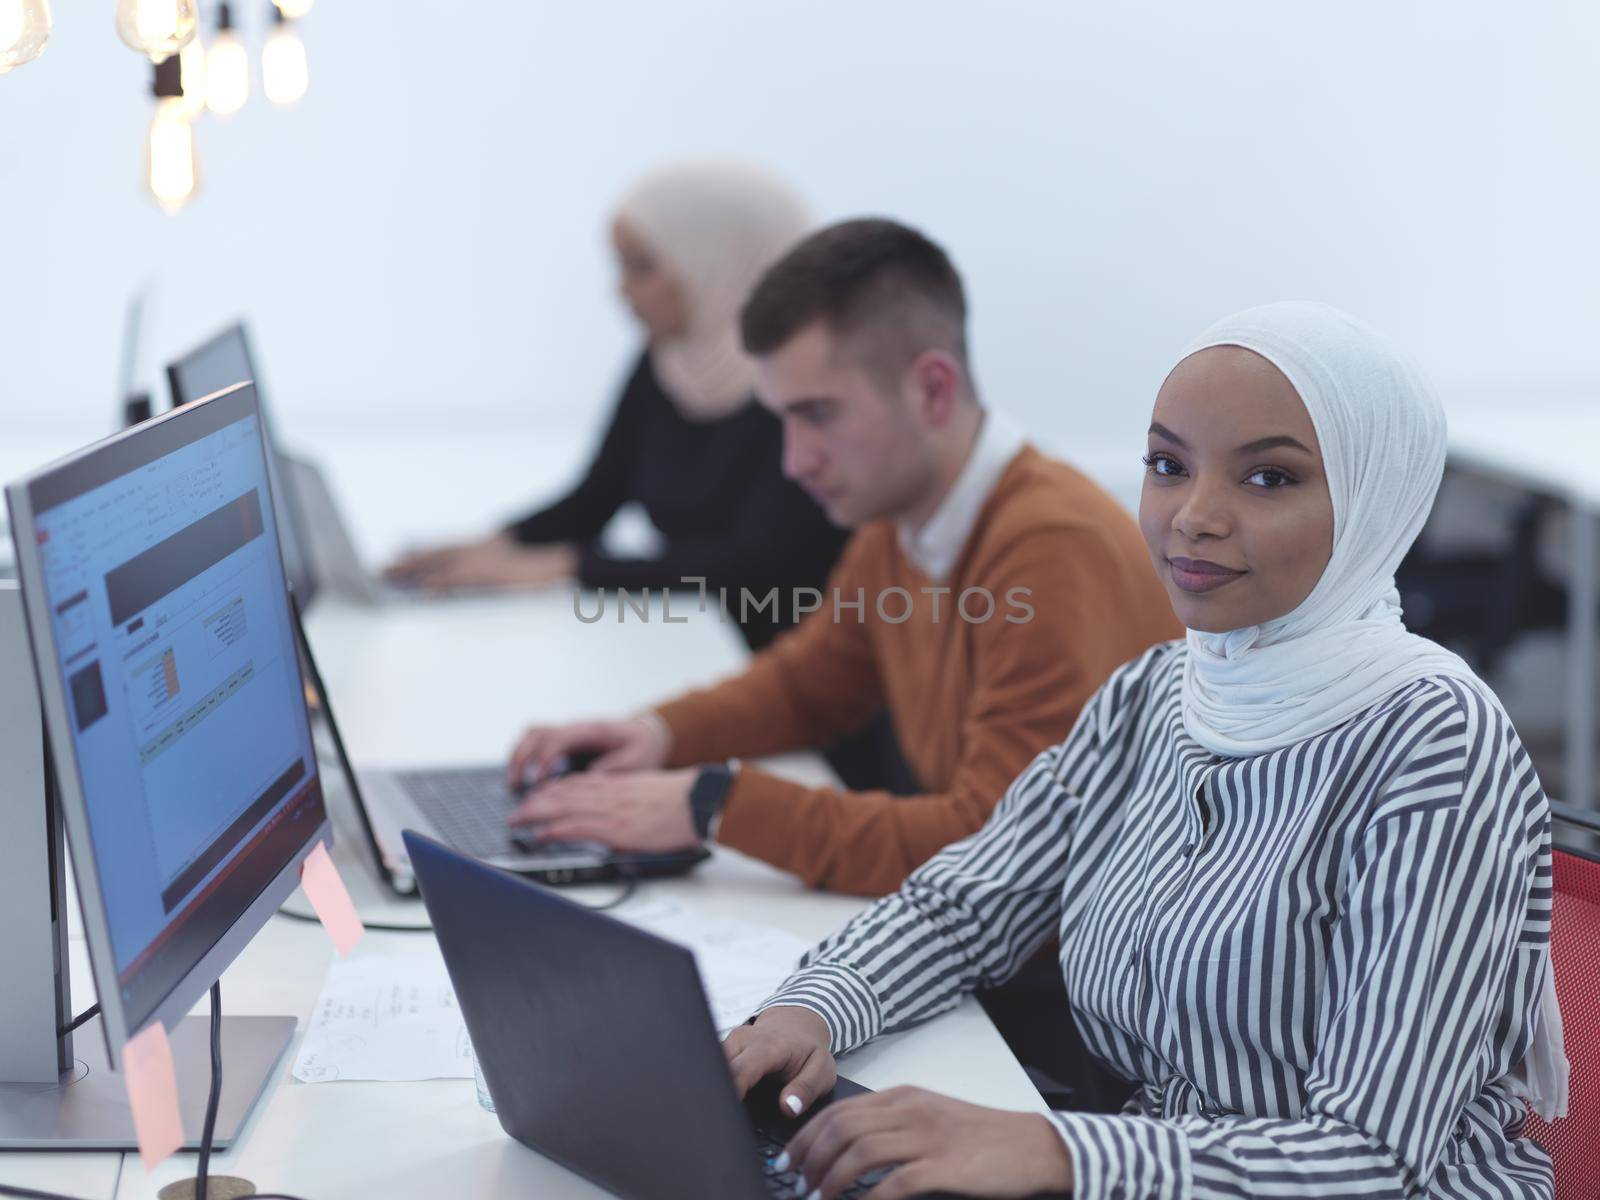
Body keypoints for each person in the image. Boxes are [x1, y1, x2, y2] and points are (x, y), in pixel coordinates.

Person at [721, 302, 1565, 1200]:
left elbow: (1372, 1157)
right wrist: (814, 1004)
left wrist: (1063, 1155)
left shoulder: (1432, 742)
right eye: (1168, 466)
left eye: (1269, 479)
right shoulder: (1157, 692)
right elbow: (965, 906)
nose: (1193, 517)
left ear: (1373, 501)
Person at [505, 218, 1181, 896]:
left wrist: (713, 805)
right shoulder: (899, 517)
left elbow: (1000, 851)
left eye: (819, 415)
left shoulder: (1050, 548)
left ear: (933, 391)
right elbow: (810, 685)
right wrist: (655, 734)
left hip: (1067, 984)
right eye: (782, 420)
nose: (794, 461)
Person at [383, 160, 846, 651]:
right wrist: (493, 546)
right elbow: (597, 497)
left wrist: (568, 566)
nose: (621, 291)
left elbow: (758, 568)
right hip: (690, 655)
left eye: (643, 267)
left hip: (794, 680)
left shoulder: (809, 387)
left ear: (720, 259)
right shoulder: (666, 364)